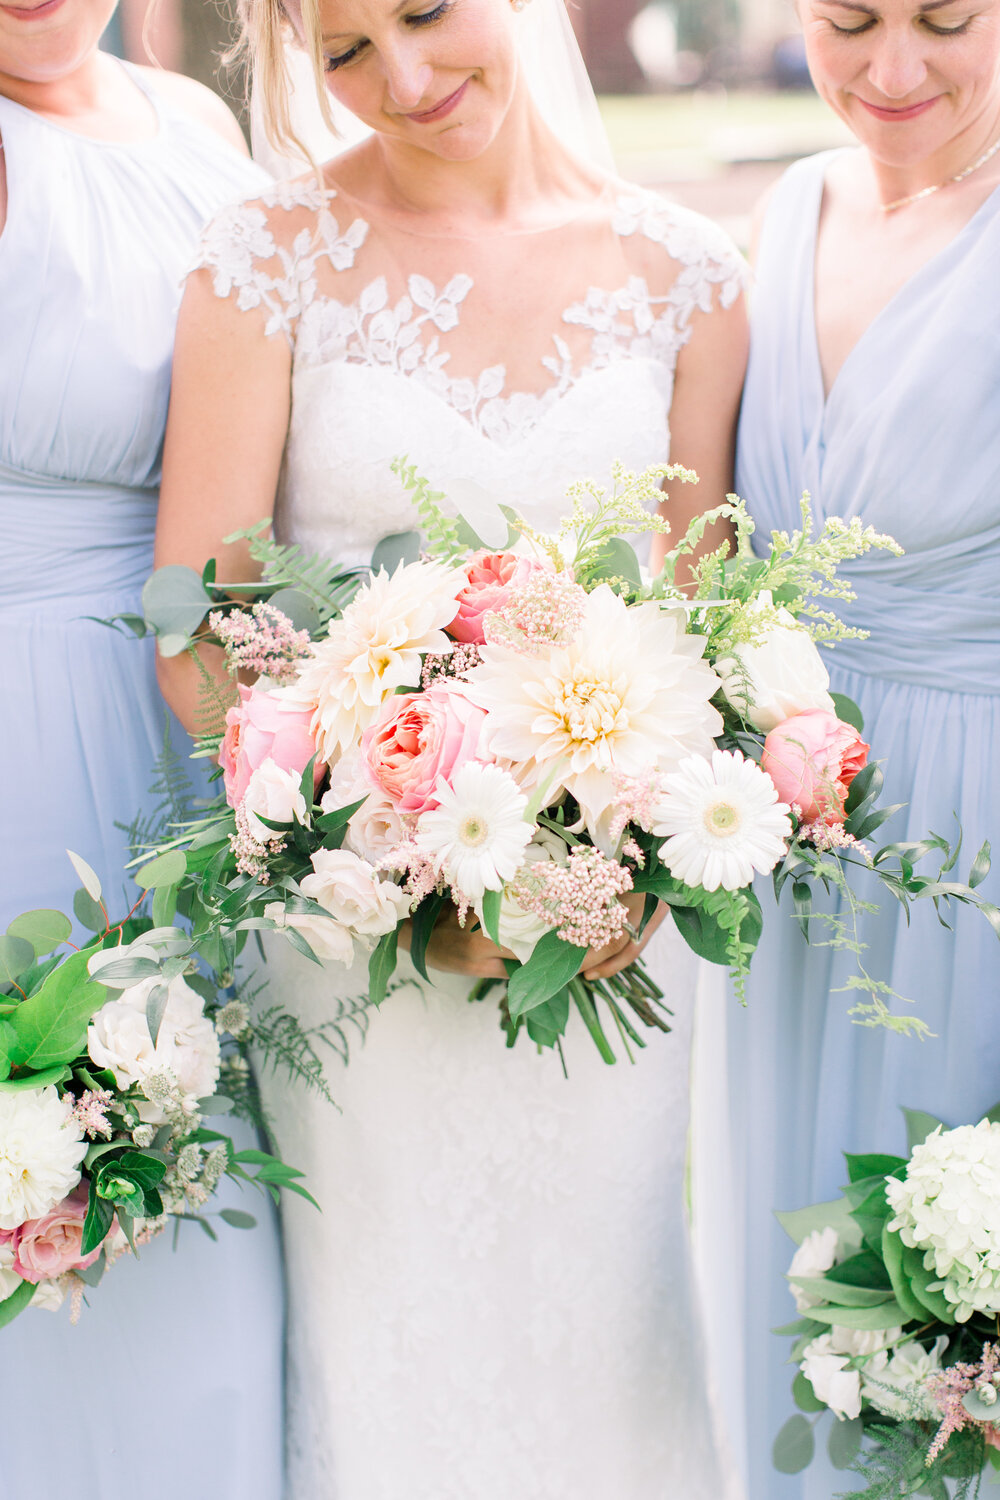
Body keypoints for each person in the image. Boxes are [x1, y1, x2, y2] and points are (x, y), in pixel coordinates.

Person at [153, 0, 750, 1493]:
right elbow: (191, 622)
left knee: (610, 1329)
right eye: (346, 52)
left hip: (605, 932)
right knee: (390, 1348)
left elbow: (698, 639)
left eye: (425, 14)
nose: (402, 80)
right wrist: (377, 852)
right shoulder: (262, 262)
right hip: (355, 941)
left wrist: (616, 876)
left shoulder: (690, 276)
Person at [703, 1, 1000, 1495]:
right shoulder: (787, 209)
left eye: (947, 20)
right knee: (797, 1286)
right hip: (796, 856)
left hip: (978, 849)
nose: (894, 70)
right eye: (849, 19)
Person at [0, 4, 284, 1495]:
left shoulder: (192, 121)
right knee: (54, 1179)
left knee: (208, 1189)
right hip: (28, 724)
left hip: (201, 718)